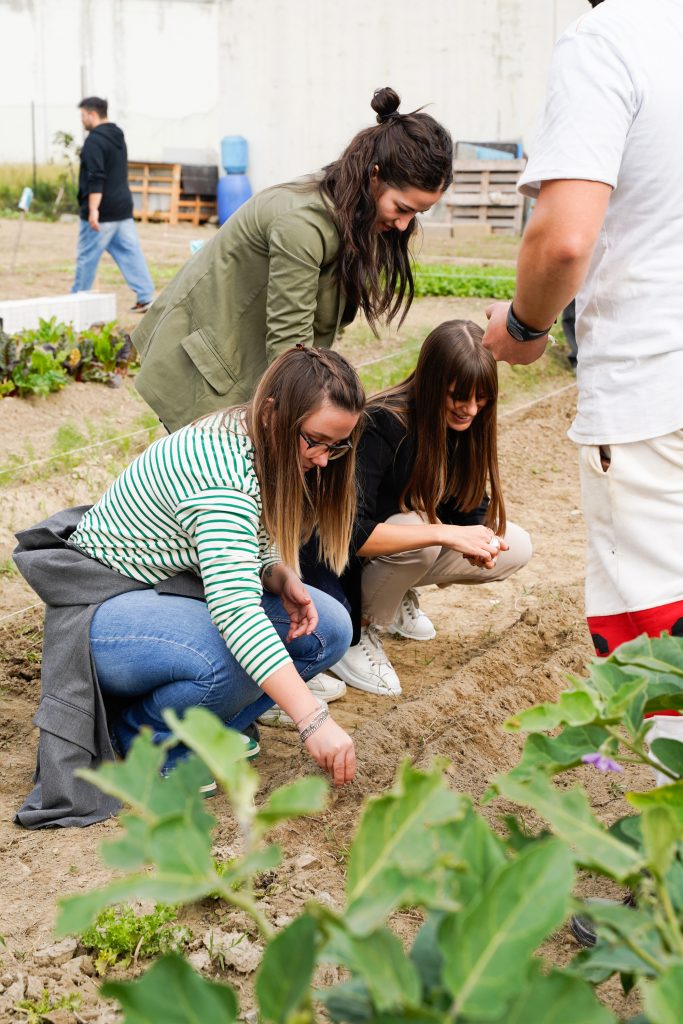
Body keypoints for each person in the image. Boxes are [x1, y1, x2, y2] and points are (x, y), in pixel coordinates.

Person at [13, 347, 364, 828]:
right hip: (100, 608)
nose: (324, 460)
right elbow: (237, 615)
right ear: (272, 413)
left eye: (336, 447)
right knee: (225, 656)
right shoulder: (218, 471)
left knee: (330, 629)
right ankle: (141, 741)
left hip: (162, 594)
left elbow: (243, 545)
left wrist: (277, 574)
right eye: (316, 442)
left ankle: (198, 731)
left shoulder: (256, 440)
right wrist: (313, 720)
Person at [132, 86, 454, 433]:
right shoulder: (303, 223)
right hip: (203, 366)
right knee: (207, 477)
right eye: (402, 208)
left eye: (419, 213)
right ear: (375, 174)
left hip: (244, 360)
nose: (405, 224)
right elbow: (291, 347)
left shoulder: (352, 211)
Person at [314, 320, 532, 697]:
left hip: (405, 549)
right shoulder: (382, 424)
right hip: (341, 563)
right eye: (458, 397)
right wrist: (442, 532)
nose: (470, 409)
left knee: (516, 544)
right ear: (432, 384)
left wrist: (476, 537)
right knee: (421, 535)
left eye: (481, 399)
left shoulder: (465, 425)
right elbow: (347, 531)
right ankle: (357, 630)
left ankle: (394, 598)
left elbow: (467, 505)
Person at [72, 96, 155, 313]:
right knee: (130, 253)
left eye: (83, 116)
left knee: (87, 258)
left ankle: (77, 303)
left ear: (92, 114)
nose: (82, 121)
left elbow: (96, 176)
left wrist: (93, 210)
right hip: (123, 208)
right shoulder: (118, 136)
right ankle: (145, 296)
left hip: (103, 213)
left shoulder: (93, 141)